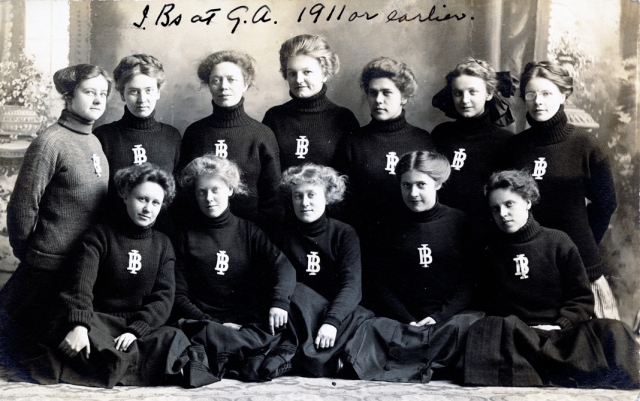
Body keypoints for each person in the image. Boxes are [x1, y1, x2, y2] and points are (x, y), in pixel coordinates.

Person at [277, 160, 481, 382]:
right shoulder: (387, 225)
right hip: (389, 317)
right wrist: (406, 319)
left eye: (421, 185)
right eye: (406, 185)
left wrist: (438, 317)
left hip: (434, 317)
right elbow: (379, 281)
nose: (413, 193)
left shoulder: (461, 222)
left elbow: (470, 281)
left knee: (467, 326)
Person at [464, 170, 638, 388]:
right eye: (495, 208)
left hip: (560, 334)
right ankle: (553, 369)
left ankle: (543, 368)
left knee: (614, 329)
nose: (503, 213)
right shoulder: (490, 249)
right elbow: (487, 301)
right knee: (486, 328)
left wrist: (560, 325)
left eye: (510, 204)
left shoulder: (558, 241)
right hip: (517, 336)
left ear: (527, 201)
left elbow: (581, 299)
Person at [30, 163, 189, 388]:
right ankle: (129, 366)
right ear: (125, 195)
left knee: (175, 338)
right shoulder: (99, 236)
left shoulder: (163, 244)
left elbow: (164, 297)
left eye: (156, 203)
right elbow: (79, 286)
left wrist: (137, 330)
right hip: (98, 322)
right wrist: (80, 326)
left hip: (134, 327)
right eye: (142, 199)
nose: (148, 209)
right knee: (64, 333)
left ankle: (109, 364)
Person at [2, 64, 112, 368]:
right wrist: (32, 253)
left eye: (103, 93)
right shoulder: (50, 142)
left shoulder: (93, 141)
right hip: (48, 271)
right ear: (68, 95)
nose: (98, 100)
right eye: (89, 92)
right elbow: (22, 206)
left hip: (82, 267)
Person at [503, 61, 618, 319]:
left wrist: (580, 243)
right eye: (531, 95)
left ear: (564, 95)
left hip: (579, 262)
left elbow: (606, 204)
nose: (538, 102)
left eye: (547, 93)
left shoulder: (585, 145)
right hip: (531, 261)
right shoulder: (514, 147)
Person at [172, 154, 297, 384]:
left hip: (243, 322)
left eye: (216, 190)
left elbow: (283, 265)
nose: (209, 198)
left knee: (277, 326)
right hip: (205, 321)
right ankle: (244, 357)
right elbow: (178, 295)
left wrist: (279, 303)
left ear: (230, 190)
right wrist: (216, 324)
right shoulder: (184, 235)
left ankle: (224, 357)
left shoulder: (249, 231)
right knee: (185, 333)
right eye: (202, 192)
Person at [333, 57, 434, 301]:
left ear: (404, 96)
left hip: (413, 245)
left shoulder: (423, 141)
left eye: (387, 93)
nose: (378, 100)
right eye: (372, 93)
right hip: (367, 247)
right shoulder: (352, 143)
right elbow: (341, 205)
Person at [276, 164, 365, 376]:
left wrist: (332, 322)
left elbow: (352, 285)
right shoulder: (282, 234)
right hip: (297, 314)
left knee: (365, 320)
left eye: (312, 195)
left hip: (333, 311)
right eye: (298, 196)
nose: (304, 203)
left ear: (327, 196)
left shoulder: (344, 233)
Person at [177, 51, 282, 229]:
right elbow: (185, 191)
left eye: (231, 80)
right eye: (216, 80)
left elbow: (272, 197)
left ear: (245, 84)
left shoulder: (262, 134)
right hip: (202, 231)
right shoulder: (195, 132)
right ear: (208, 85)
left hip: (251, 234)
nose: (223, 87)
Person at [94, 54, 181, 234]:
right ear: (122, 94)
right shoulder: (104, 137)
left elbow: (177, 197)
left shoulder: (171, 136)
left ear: (158, 92)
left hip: (161, 238)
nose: (142, 99)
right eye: (134, 91)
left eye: (149, 90)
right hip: (113, 236)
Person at [431, 57, 514, 219]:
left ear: (489, 94)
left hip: (484, 227)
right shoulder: (441, 134)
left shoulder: (505, 140)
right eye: (458, 93)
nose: (465, 100)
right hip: (442, 223)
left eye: (472, 92)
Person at [262, 34, 359, 171]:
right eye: (292, 73)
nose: (299, 80)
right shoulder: (274, 117)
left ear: (324, 74)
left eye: (307, 72)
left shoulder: (344, 118)